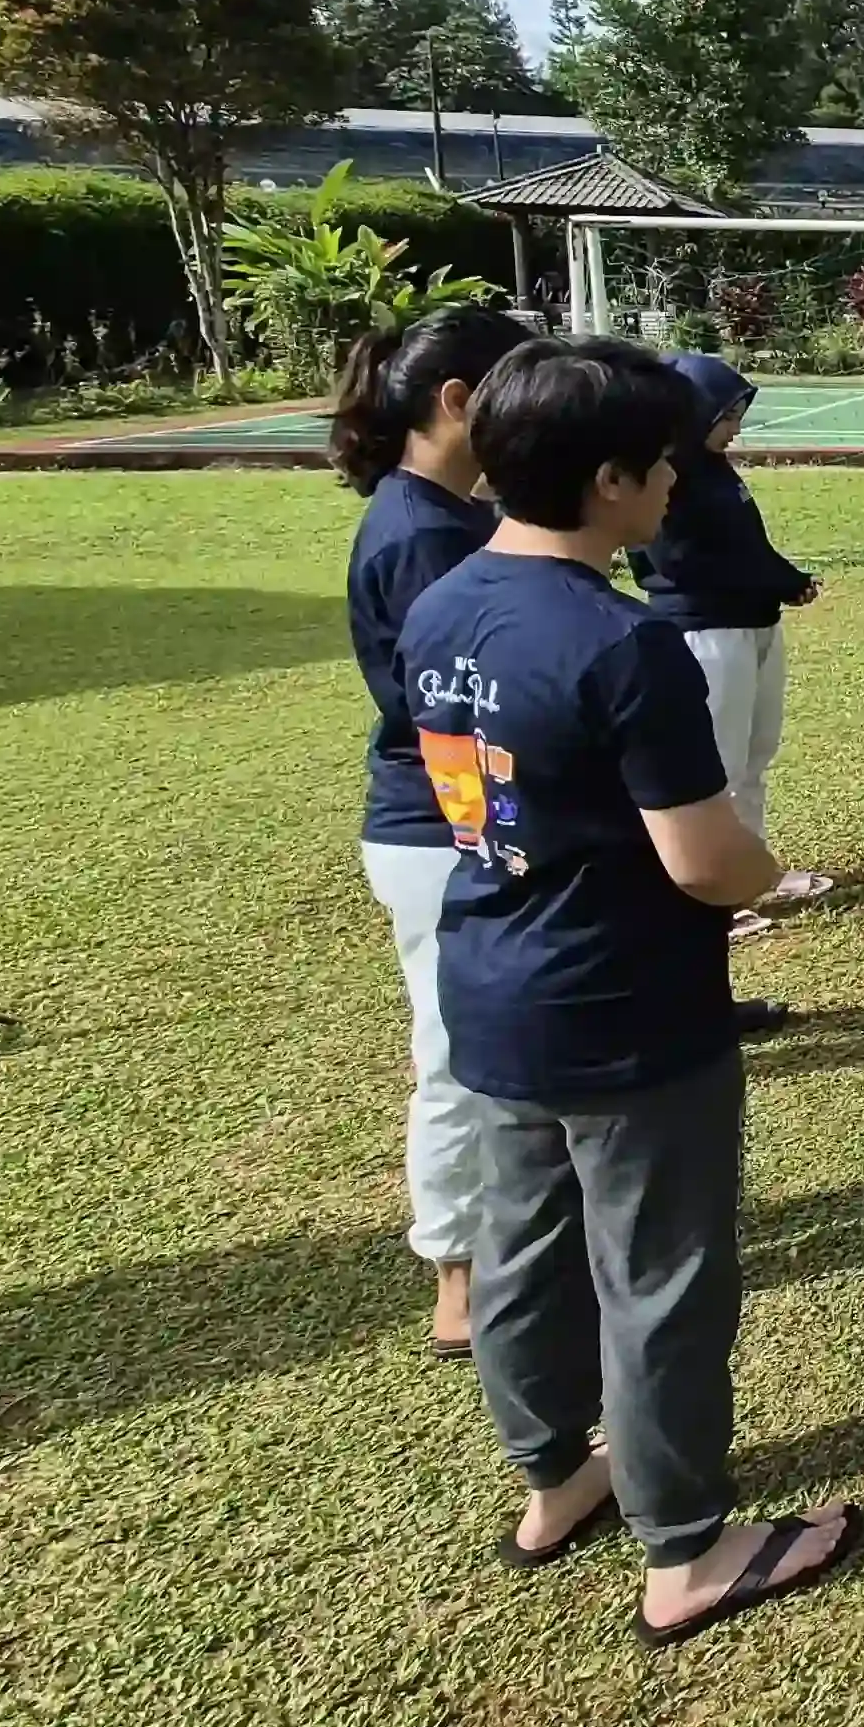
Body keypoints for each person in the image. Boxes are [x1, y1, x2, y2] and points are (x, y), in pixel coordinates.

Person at [399, 337, 863, 1642]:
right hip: (625, 1010)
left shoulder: (441, 605)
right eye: (661, 463)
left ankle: (556, 1476)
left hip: (492, 986)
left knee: (525, 1254)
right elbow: (705, 860)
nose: (677, 481)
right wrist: (769, 874)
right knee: (660, 1273)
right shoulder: (623, 643)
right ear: (609, 481)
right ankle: (687, 1545)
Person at [335, 298, 535, 1360]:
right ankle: (456, 1273)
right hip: (438, 823)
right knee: (455, 1051)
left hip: (471, 814)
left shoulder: (455, 519)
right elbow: (454, 702)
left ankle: (503, 1239)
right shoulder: (420, 533)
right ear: (458, 404)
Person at [635, 353, 828, 953]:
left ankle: (751, 874)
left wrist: (787, 579)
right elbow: (678, 562)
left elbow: (750, 548)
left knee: (754, 754)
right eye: (728, 413)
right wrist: (767, 582)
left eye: (741, 412)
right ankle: (712, 895)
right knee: (714, 766)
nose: (738, 425)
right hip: (706, 631)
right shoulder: (667, 475)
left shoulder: (717, 470)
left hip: (753, 624)